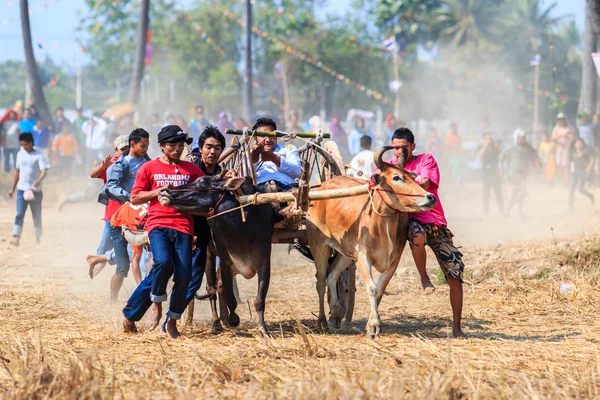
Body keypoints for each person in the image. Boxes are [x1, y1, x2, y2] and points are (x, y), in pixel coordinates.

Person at [122, 125, 203, 338]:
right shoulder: (148, 168)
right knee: (163, 263)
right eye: (172, 145)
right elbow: (134, 198)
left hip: (184, 226)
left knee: (184, 275)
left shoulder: (191, 170)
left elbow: (207, 188)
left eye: (180, 145)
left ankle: (172, 322)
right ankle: (156, 306)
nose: (177, 149)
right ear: (162, 147)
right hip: (158, 224)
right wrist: (157, 192)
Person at [390, 127, 465, 338]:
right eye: (395, 148)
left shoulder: (426, 160)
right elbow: (374, 181)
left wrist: (404, 172)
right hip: (413, 221)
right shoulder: (389, 168)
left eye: (403, 148)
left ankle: (457, 328)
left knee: (455, 274)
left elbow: (425, 182)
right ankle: (424, 278)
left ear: (413, 146)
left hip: (435, 221)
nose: (399, 152)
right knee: (417, 236)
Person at [100, 128, 150, 302]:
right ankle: (112, 299)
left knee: (141, 255)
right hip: (123, 218)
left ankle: (143, 294)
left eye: (147, 146)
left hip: (143, 215)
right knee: (123, 267)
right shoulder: (121, 164)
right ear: (132, 144)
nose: (145, 149)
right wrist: (132, 198)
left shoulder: (147, 162)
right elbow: (111, 186)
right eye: (142, 146)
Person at [83, 136, 129, 278]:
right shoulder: (112, 165)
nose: (125, 152)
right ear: (116, 150)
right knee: (103, 249)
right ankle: (92, 276)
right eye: (122, 149)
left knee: (131, 251)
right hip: (113, 216)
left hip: (130, 216)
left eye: (128, 148)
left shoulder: (136, 164)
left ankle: (99, 262)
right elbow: (93, 174)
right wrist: (103, 166)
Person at [7, 133, 50, 246]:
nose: (23, 147)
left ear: (31, 143)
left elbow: (44, 170)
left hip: (35, 191)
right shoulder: (20, 154)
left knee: (36, 215)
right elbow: (17, 172)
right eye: (21, 145)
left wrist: (39, 180)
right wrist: (13, 189)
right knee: (19, 214)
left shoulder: (39, 156)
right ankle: (16, 238)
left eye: (25, 144)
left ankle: (38, 239)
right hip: (22, 189)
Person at [251, 117, 302, 192]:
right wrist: (255, 155)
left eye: (271, 135)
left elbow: (297, 172)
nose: (268, 139)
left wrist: (274, 158)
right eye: (263, 135)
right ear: (255, 138)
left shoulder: (288, 148)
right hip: (258, 189)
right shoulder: (248, 153)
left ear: (276, 136)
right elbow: (244, 176)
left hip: (286, 187)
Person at [499, 129, 539, 218]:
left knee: (515, 193)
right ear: (517, 138)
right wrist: (501, 168)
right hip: (512, 173)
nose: (522, 139)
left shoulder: (528, 148)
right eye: (520, 138)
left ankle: (508, 210)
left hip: (523, 174)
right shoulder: (512, 148)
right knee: (523, 188)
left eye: (524, 138)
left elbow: (534, 155)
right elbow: (501, 157)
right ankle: (519, 209)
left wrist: (537, 166)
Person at [477, 132, 504, 215]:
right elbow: (479, 156)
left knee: (498, 191)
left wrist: (497, 145)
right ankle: (485, 211)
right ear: (484, 139)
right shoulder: (481, 146)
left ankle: (502, 209)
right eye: (488, 138)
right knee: (486, 192)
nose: (490, 140)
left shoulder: (494, 146)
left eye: (491, 138)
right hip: (486, 172)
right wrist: (486, 144)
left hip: (495, 171)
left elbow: (500, 153)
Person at [569, 138, 595, 209]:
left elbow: (592, 159)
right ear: (575, 145)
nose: (578, 145)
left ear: (582, 144)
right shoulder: (573, 152)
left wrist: (588, 168)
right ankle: (570, 206)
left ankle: (590, 196)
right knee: (571, 188)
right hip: (574, 172)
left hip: (582, 172)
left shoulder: (585, 151)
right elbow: (571, 162)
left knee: (580, 189)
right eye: (577, 143)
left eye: (580, 143)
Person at [552, 113, 571, 184]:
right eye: (559, 119)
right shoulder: (556, 129)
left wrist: (566, 136)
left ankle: (566, 181)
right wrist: (560, 136)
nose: (560, 121)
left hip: (566, 149)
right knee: (558, 164)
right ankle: (560, 180)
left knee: (565, 165)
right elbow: (553, 138)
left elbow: (571, 138)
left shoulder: (568, 129)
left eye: (562, 119)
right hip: (558, 149)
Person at [445, 123, 463, 191]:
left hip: (457, 157)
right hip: (450, 157)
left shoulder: (459, 137)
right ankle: (451, 189)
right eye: (453, 128)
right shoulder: (448, 137)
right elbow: (447, 148)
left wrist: (460, 156)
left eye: (455, 128)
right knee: (451, 174)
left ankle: (458, 189)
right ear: (450, 129)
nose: (454, 130)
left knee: (458, 174)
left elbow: (461, 148)